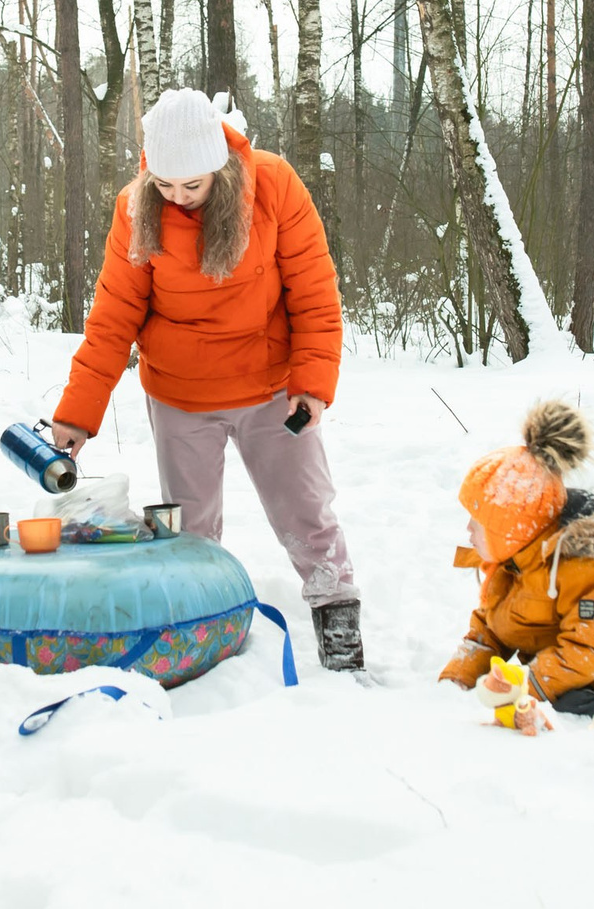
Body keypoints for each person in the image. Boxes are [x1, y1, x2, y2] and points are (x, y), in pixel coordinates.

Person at [49, 88, 364, 671]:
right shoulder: (135, 208)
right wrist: (75, 415)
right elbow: (113, 316)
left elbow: (315, 293)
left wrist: (312, 385)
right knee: (189, 530)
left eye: (191, 185)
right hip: (180, 394)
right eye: (165, 185)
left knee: (305, 509)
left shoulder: (272, 185)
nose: (178, 197)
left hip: (270, 387)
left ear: (219, 164)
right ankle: (200, 632)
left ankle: (337, 614)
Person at [438, 400, 594, 730]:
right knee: (544, 696)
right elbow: (490, 631)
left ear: (515, 530)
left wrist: (526, 682)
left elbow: (590, 648)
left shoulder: (585, 569)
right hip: (569, 675)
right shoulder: (513, 565)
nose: (468, 530)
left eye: (479, 521)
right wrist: (457, 679)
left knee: (563, 701)